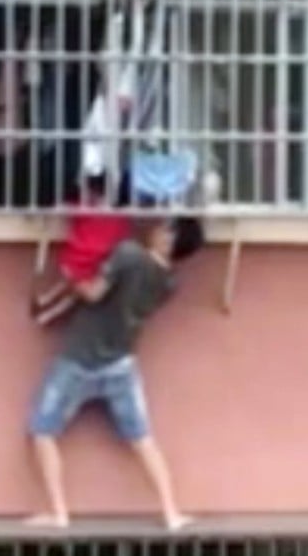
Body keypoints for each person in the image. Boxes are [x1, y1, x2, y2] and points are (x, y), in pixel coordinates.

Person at [25, 217, 193, 531]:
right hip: (121, 363)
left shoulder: (127, 253)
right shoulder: (170, 283)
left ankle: (59, 513)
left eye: (165, 227)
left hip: (79, 357)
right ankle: (171, 512)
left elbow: (94, 294)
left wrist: (71, 277)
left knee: (43, 431)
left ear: (170, 240)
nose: (156, 227)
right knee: (142, 438)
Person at [31, 174, 132, 326]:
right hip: (95, 266)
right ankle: (47, 311)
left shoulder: (86, 207)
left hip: (75, 260)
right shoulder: (120, 217)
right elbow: (123, 239)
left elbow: (64, 209)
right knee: (74, 295)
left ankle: (46, 302)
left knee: (69, 285)